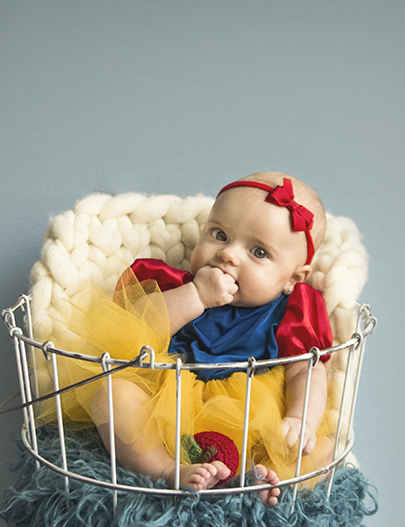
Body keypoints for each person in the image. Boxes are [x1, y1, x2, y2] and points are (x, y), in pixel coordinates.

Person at [42, 172, 334, 506]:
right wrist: (196, 295)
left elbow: (306, 370)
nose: (229, 255)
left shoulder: (294, 311)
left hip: (252, 420)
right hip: (169, 407)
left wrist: (301, 419)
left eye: (258, 252)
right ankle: (168, 470)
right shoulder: (173, 284)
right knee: (111, 394)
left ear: (292, 279)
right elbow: (135, 327)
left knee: (321, 449)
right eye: (220, 234)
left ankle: (259, 477)